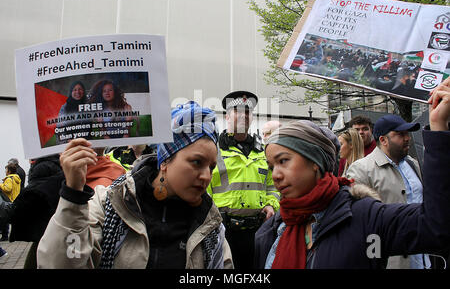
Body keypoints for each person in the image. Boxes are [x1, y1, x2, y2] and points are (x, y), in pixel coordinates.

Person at [254, 77, 450, 268]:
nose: (276, 175)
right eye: (272, 166)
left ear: (315, 161)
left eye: (283, 161)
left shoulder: (366, 217)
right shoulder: (273, 229)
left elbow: (434, 226)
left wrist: (439, 127)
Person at [37, 101, 233, 269]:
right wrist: (72, 197)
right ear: (165, 161)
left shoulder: (211, 225)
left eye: (212, 166)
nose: (206, 176)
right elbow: (64, 262)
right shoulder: (110, 203)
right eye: (197, 162)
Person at [345, 114, 430, 268]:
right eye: (400, 134)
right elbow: (360, 223)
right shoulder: (362, 169)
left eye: (407, 134)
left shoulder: (412, 164)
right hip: (391, 261)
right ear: (383, 140)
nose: (407, 138)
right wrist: (374, 260)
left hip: (422, 258)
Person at [207, 91, 280, 269]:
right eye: (237, 111)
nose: (243, 116)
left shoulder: (262, 151)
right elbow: (203, 189)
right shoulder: (213, 150)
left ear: (252, 117)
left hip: (258, 231)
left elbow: (273, 186)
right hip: (223, 232)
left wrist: (271, 204)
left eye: (247, 112)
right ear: (227, 116)